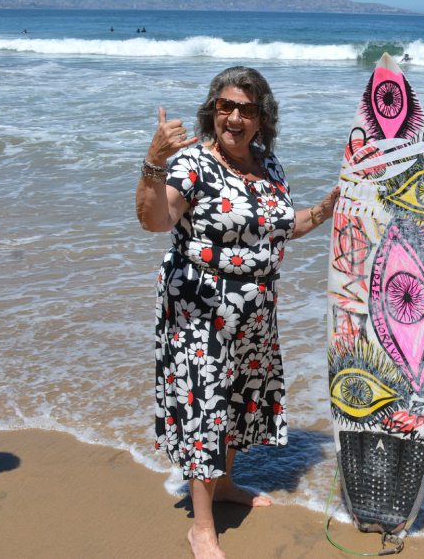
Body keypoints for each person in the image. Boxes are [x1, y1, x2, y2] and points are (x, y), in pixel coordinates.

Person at [136, 66, 338, 558]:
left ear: (262, 119)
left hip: (254, 309)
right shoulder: (191, 165)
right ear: (213, 111)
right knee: (204, 407)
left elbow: (278, 229)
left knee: (236, 401)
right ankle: (202, 527)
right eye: (226, 107)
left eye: (247, 110)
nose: (235, 117)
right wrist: (152, 162)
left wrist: (326, 210)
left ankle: (225, 485)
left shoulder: (270, 168)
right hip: (199, 308)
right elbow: (154, 219)